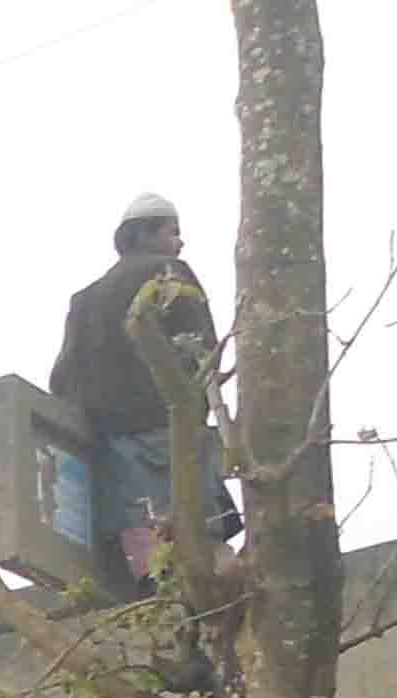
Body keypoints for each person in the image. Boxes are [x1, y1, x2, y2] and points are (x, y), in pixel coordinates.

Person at [52, 191, 238, 596]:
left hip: (115, 451)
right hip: (171, 435)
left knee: (149, 555)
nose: (180, 242)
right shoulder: (169, 273)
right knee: (203, 547)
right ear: (144, 234)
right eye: (172, 231)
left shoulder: (83, 301)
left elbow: (63, 380)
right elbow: (203, 351)